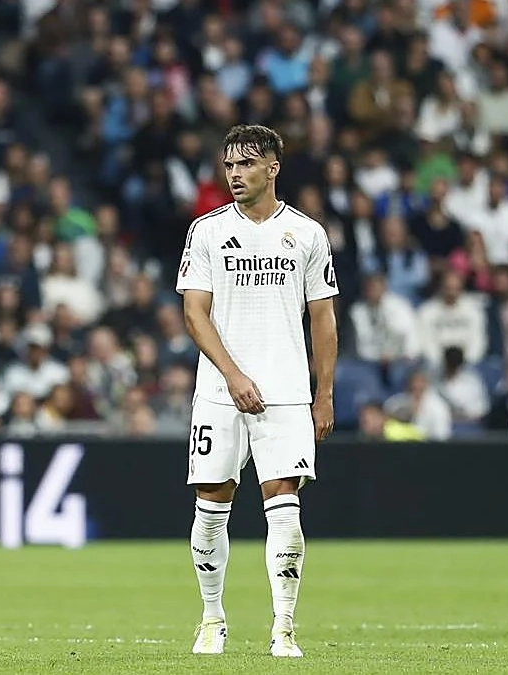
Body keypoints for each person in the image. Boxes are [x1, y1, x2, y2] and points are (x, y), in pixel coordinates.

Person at [175, 125, 339, 658]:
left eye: (246, 164)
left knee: (285, 507)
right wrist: (232, 375)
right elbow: (194, 314)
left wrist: (324, 393)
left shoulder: (308, 234)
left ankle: (284, 628)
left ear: (273, 168)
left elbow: (324, 319)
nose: (235, 175)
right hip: (220, 393)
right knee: (211, 502)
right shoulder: (205, 231)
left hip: (287, 391)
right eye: (228, 165)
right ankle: (211, 617)